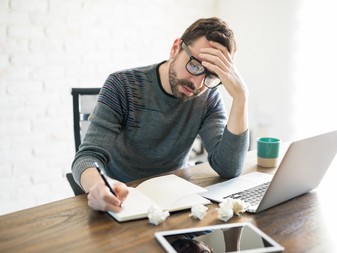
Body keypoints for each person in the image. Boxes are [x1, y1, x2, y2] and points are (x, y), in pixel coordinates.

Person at [71, 17, 250, 212]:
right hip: (123, 199)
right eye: (195, 66)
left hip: (175, 201)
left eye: (210, 75)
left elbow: (229, 167)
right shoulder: (122, 85)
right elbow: (87, 157)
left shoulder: (208, 97)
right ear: (175, 48)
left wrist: (241, 98)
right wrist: (99, 185)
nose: (197, 84)